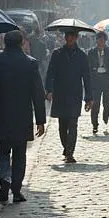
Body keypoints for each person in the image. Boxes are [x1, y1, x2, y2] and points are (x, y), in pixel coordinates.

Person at [0, 29, 46, 203]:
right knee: (20, 155)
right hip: (22, 117)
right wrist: (40, 120)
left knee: (2, 152)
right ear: (22, 43)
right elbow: (37, 93)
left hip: (0, 116)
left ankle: (4, 180)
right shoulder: (30, 63)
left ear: (5, 43)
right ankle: (17, 190)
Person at [44, 29, 92, 165]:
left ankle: (70, 153)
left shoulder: (82, 56)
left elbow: (87, 77)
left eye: (72, 36)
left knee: (73, 123)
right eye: (67, 36)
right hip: (60, 93)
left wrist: (89, 97)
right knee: (62, 125)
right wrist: (48, 90)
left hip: (75, 94)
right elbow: (50, 73)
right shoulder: (57, 54)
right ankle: (66, 148)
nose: (69, 38)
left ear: (76, 38)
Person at [87, 31, 109, 135]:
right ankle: (94, 125)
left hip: (106, 81)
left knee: (106, 103)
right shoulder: (91, 52)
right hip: (95, 81)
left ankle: (105, 122)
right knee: (95, 104)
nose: (100, 42)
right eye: (99, 40)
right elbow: (88, 67)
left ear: (105, 41)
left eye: (103, 40)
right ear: (96, 40)